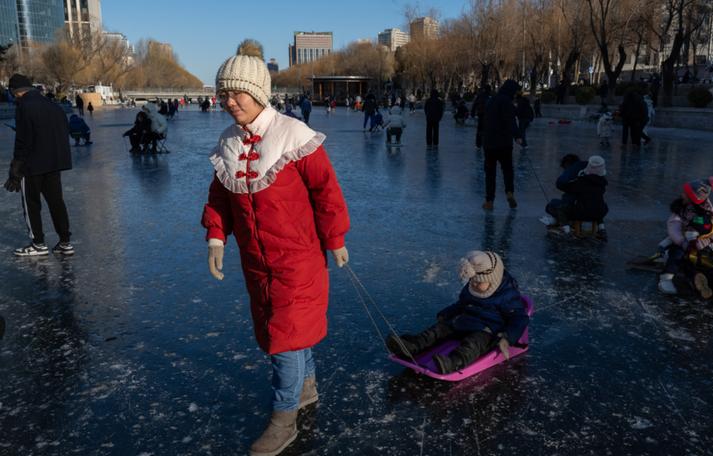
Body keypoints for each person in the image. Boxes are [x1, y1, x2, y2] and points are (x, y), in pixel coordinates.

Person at [201, 40, 350, 456]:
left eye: (237, 93)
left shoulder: (292, 135)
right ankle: (306, 388)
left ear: (259, 93)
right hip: (256, 262)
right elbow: (219, 197)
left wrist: (334, 238)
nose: (230, 102)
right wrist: (216, 237)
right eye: (224, 94)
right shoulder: (229, 141)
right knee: (289, 330)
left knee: (283, 337)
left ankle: (283, 418)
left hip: (298, 259)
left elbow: (326, 192)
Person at [385, 251, 529, 375]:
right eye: (472, 281)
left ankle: (454, 362)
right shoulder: (472, 287)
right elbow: (461, 304)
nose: (474, 284)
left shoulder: (507, 296)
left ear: (493, 281)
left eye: (479, 282)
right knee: (438, 329)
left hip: (487, 330)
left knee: (473, 344)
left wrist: (507, 338)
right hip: (464, 320)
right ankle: (412, 345)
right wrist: (447, 313)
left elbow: (519, 319)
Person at [3, 74, 74, 256]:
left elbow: (23, 141)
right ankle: (65, 242)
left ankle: (38, 243)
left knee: (31, 204)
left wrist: (16, 169)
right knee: (56, 202)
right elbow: (61, 131)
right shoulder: (53, 105)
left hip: (33, 165)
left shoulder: (25, 107)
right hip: (54, 163)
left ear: (15, 92)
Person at [482, 80, 521, 210]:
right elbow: (510, 120)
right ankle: (509, 192)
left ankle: (489, 201)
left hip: (489, 143)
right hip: (504, 143)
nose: (516, 95)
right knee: (507, 170)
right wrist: (517, 136)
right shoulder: (507, 102)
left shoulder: (491, 101)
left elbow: (484, 120)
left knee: (490, 173)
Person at [553, 155, 608, 237]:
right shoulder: (602, 183)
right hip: (601, 212)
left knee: (561, 209)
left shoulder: (581, 182)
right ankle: (601, 228)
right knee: (597, 205)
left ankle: (566, 230)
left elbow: (565, 186)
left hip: (582, 212)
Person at [471, 85, 492, 149]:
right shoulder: (489, 96)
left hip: (482, 114)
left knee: (480, 129)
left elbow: (475, 104)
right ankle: (482, 143)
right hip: (486, 114)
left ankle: (479, 144)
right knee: (485, 129)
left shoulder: (480, 96)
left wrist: (473, 112)